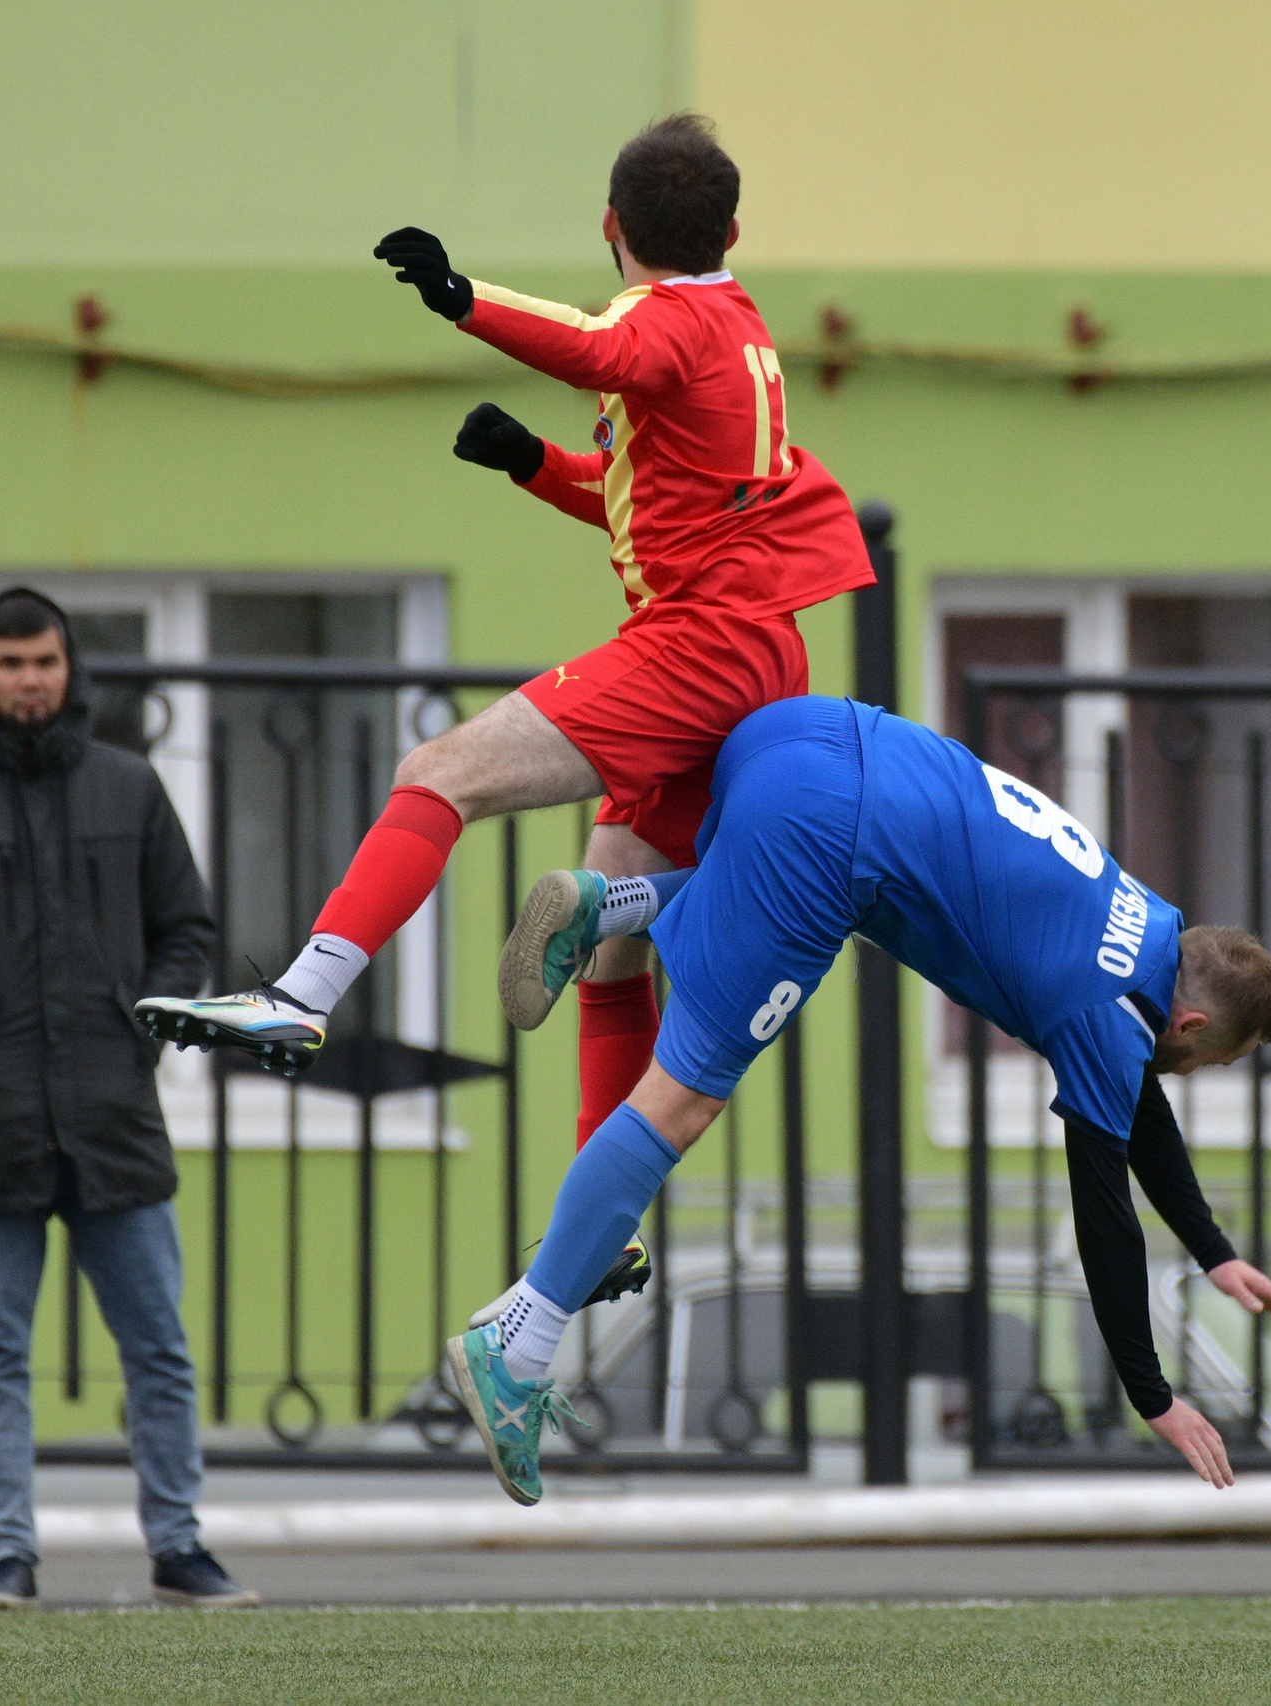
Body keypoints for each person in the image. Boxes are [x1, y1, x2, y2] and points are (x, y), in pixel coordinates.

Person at [134, 114, 874, 1330]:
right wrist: (536, 463)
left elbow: (595, 345)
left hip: (700, 646)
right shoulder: (737, 332)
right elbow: (664, 506)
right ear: (734, 232)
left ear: (610, 227)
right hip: (748, 646)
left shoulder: (669, 319)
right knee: (613, 952)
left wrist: (458, 294)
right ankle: (604, 1221)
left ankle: (304, 995)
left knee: (440, 771)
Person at [448, 696, 1271, 1504]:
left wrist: (1213, 1252)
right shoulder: (1110, 1019)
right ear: (1192, 1019)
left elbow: (1135, 1101)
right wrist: (1156, 1396)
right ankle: (520, 1346)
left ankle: (610, 907)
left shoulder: (1147, 922)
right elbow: (1105, 1219)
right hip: (827, 832)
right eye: (1213, 1058)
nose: (1195, 1071)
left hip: (811, 733)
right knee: (682, 1102)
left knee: (796, 900)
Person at [0, 589, 257, 1610]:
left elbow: (187, 926)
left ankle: (179, 1545)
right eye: (9, 663)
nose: (29, 679)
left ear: (70, 666)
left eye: (44, 659)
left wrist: (145, 1024)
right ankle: (9, 1557)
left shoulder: (130, 790)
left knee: (158, 1345)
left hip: (114, 1119)